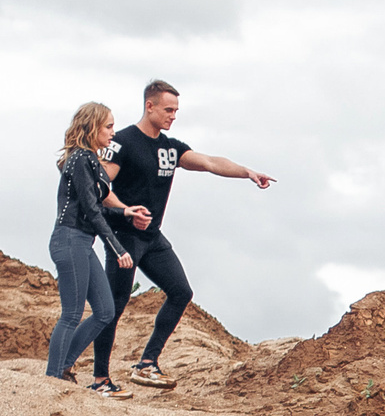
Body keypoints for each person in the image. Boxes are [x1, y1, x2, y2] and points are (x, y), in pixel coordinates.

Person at [96, 78, 274, 388]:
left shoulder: (170, 147)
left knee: (181, 292)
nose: (173, 116)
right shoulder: (123, 142)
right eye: (168, 110)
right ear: (149, 106)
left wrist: (247, 172)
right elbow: (100, 186)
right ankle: (100, 378)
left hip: (152, 237)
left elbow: (209, 162)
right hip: (123, 236)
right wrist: (127, 210)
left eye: (176, 111)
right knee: (115, 304)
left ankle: (147, 364)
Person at [45, 101, 142, 396]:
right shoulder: (80, 158)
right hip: (69, 239)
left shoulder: (90, 160)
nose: (113, 132)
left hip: (82, 242)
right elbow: (90, 208)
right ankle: (52, 379)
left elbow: (96, 206)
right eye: (109, 127)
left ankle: (63, 368)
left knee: (105, 311)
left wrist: (124, 211)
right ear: (92, 127)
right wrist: (118, 248)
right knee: (71, 314)